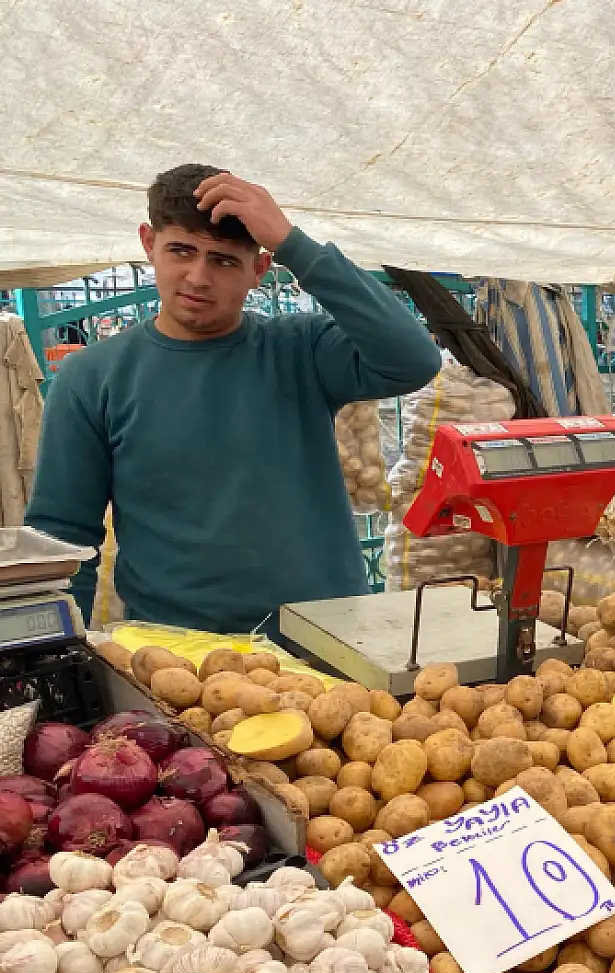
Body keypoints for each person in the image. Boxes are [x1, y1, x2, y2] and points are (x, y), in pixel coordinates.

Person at [27, 165, 441, 633]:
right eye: (181, 251)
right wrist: (63, 651)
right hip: (179, 652)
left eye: (223, 261)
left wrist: (293, 244)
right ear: (148, 243)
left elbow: (413, 360)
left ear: (258, 270)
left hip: (325, 637)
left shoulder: (303, 349)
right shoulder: (92, 377)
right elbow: (63, 537)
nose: (198, 277)